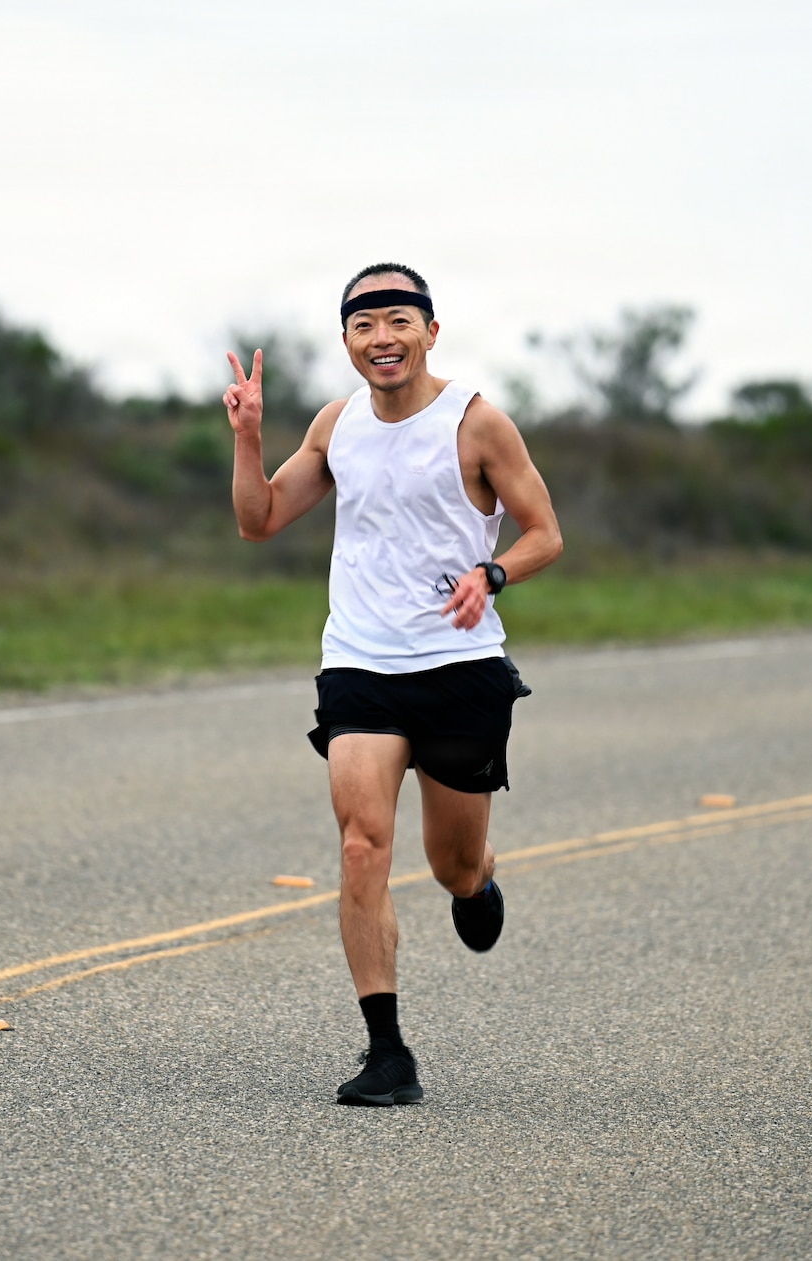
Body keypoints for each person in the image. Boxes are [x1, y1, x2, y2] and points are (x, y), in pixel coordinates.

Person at [224, 262, 564, 1106]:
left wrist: (493, 572)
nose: (383, 338)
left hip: (458, 665)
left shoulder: (479, 424)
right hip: (361, 664)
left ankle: (477, 877)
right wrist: (248, 436)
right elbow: (259, 520)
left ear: (430, 332)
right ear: (347, 341)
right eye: (365, 325)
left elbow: (546, 533)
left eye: (399, 321)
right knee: (359, 844)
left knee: (447, 862)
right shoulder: (337, 425)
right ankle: (388, 1052)